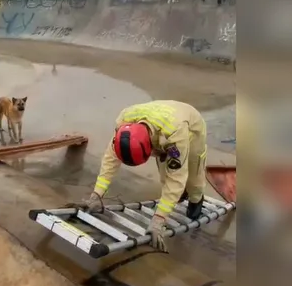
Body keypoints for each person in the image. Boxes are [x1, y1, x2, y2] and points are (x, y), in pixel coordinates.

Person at [77, 100, 208, 253]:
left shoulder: (173, 134)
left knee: (193, 175)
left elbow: (177, 177)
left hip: (191, 127)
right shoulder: (123, 124)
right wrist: (97, 194)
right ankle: (178, 196)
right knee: (165, 176)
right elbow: (110, 161)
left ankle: (195, 200)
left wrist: (159, 219)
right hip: (162, 124)